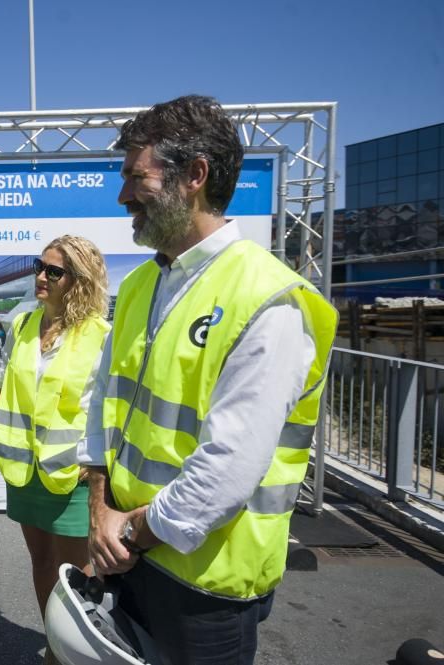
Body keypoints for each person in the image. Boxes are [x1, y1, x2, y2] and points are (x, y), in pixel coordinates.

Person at [82, 95, 337, 664]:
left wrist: (129, 532)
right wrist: (100, 509)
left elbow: (229, 467)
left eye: (135, 176)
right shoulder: (143, 286)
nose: (123, 195)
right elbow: (103, 408)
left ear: (195, 175)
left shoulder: (270, 301)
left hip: (204, 585)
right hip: (128, 553)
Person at [0, 235, 111, 665]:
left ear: (78, 280)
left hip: (71, 476)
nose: (40, 277)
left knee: (75, 576)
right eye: (38, 267)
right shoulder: (23, 325)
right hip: (25, 472)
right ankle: (55, 647)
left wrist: (91, 464)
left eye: (53, 271)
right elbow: (6, 386)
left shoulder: (100, 335)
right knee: (41, 561)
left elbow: (107, 407)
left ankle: (78, 653)